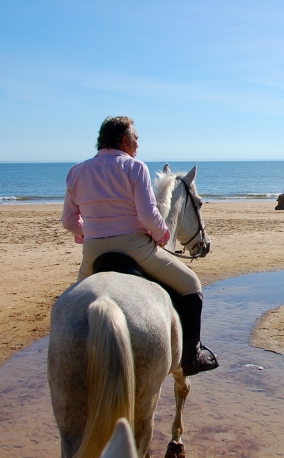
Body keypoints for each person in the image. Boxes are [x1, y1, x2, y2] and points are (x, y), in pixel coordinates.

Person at [61, 116, 217, 375]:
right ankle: (192, 354)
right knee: (192, 285)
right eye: (135, 140)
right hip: (135, 248)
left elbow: (68, 220)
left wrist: (84, 231)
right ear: (124, 140)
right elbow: (148, 215)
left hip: (94, 251)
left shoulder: (77, 171)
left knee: (73, 302)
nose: (137, 146)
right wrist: (162, 235)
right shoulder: (135, 168)